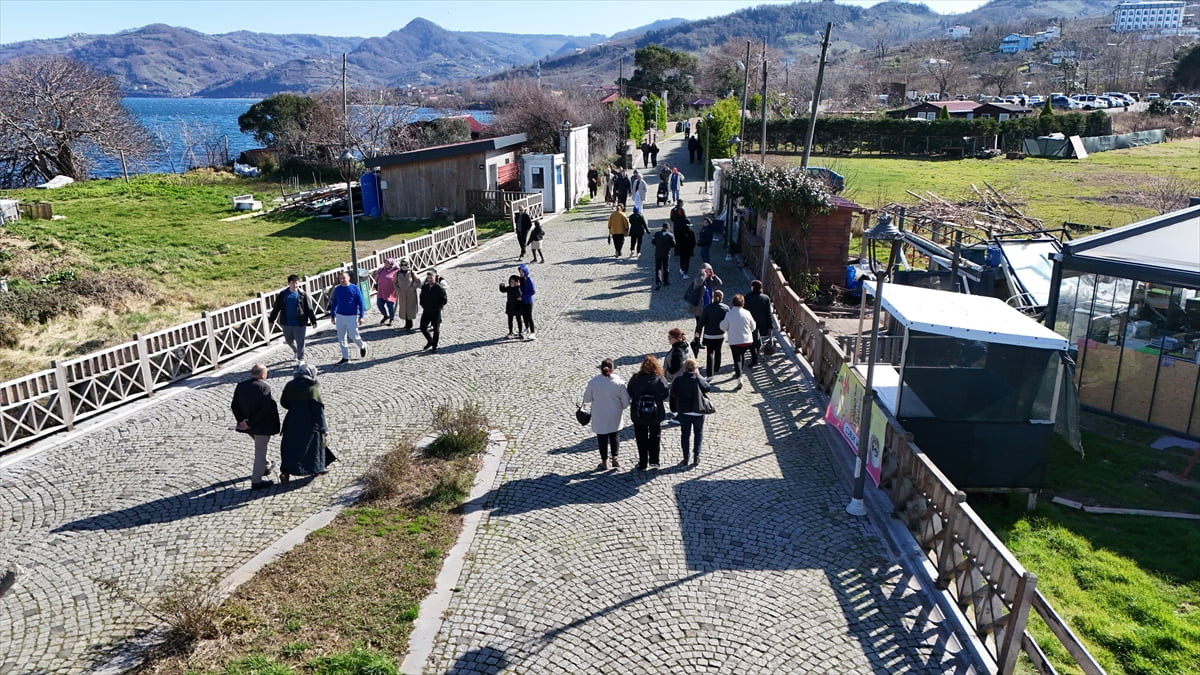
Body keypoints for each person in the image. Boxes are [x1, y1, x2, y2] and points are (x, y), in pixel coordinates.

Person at [278, 363, 331, 482]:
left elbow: (284, 403)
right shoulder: (312, 389)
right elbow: (318, 411)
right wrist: (324, 428)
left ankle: (285, 471)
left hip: (292, 421)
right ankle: (317, 468)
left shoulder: (290, 385)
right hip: (309, 423)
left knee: (290, 447)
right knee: (314, 446)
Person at [231, 363, 280, 490]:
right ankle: (256, 480)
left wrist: (242, 421)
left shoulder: (241, 386)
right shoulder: (264, 387)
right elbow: (264, 410)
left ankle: (267, 465)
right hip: (261, 426)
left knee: (260, 447)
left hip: (247, 426)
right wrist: (249, 422)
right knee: (260, 452)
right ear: (262, 374)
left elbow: (234, 405)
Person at [582, 358, 630, 470]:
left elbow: (587, 399)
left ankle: (604, 462)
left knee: (601, 438)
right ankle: (615, 458)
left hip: (599, 415)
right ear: (613, 369)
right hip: (615, 414)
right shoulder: (619, 382)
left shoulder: (593, 382)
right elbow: (626, 401)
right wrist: (619, 408)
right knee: (614, 436)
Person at [627, 355, 669, 470]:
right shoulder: (660, 379)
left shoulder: (635, 379)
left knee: (641, 438)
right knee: (655, 436)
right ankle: (654, 460)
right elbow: (665, 393)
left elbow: (630, 392)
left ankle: (643, 462)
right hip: (655, 414)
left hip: (638, 414)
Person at [669, 358, 712, 466]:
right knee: (698, 433)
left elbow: (673, 393)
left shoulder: (678, 380)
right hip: (698, 411)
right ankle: (696, 455)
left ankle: (686, 457)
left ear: (685, 368)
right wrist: (699, 376)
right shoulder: (697, 379)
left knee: (685, 435)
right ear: (695, 368)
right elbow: (707, 388)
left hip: (684, 412)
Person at [268, 274, 318, 363]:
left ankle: (300, 358)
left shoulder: (302, 294)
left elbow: (309, 308)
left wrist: (313, 320)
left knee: (300, 341)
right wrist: (272, 320)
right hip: (286, 323)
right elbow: (276, 308)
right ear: (289, 284)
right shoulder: (283, 295)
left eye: (296, 283)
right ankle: (295, 350)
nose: (295, 285)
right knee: (288, 340)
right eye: (293, 283)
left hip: (300, 322)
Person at [720, 294, 757, 386]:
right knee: (742, 355)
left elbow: (723, 327)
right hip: (747, 340)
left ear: (733, 303)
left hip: (735, 341)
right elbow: (753, 326)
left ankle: (739, 377)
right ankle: (740, 371)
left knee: (737, 360)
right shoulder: (747, 313)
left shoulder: (729, 314)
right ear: (743, 303)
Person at [330, 271, 366, 365]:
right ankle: (345, 357)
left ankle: (362, 346)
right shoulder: (338, 289)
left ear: (348, 278)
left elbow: (361, 302)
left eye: (343, 278)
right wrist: (333, 315)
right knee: (341, 337)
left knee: (353, 335)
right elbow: (335, 302)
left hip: (351, 316)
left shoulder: (354, 288)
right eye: (340, 278)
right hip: (340, 315)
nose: (341, 280)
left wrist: (361, 316)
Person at [685, 263, 723, 350]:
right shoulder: (698, 278)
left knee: (707, 325)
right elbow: (698, 283)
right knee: (699, 326)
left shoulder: (710, 280)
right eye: (707, 270)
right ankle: (696, 340)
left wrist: (713, 275)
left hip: (708, 307)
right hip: (699, 308)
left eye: (709, 270)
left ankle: (704, 341)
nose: (708, 272)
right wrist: (703, 274)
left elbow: (720, 283)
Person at [700, 289, 730, 377]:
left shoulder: (707, 308)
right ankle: (717, 367)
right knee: (718, 350)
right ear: (722, 298)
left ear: (713, 297)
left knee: (709, 352)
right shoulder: (726, 308)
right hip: (720, 334)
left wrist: (697, 334)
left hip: (709, 335)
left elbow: (701, 322)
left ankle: (709, 371)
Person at [745, 280, 774, 366]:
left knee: (752, 341)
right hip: (762, 323)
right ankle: (756, 355)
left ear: (752, 287)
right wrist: (770, 325)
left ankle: (755, 357)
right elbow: (768, 313)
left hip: (750, 322)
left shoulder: (747, 297)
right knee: (757, 340)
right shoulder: (766, 298)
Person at [419, 269, 448, 352]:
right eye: (428, 278)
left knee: (436, 329)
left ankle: (434, 346)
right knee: (422, 327)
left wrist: (438, 307)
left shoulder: (439, 288)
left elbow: (444, 300)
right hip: (427, 310)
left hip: (436, 311)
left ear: (434, 278)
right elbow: (421, 297)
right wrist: (423, 305)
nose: (429, 279)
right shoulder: (424, 287)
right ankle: (430, 341)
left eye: (431, 278)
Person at [394, 258, 422, 331]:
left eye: (405, 265)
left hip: (411, 294)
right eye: (402, 265)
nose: (403, 266)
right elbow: (394, 283)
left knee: (410, 308)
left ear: (408, 265)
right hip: (402, 294)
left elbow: (418, 281)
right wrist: (398, 289)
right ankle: (407, 324)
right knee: (404, 308)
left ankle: (409, 324)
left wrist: (412, 288)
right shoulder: (398, 273)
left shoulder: (412, 272)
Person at [372, 258, 401, 325]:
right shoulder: (381, 270)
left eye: (388, 263)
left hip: (390, 292)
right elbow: (375, 276)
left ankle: (391, 318)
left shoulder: (396, 271)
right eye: (385, 263)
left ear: (391, 263)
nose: (386, 264)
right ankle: (385, 316)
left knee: (390, 306)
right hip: (381, 291)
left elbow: (401, 275)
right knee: (380, 304)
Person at [674, 209, 696, 280]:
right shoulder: (691, 233)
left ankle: (681, 269)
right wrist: (692, 247)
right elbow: (693, 242)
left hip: (681, 248)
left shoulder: (679, 231)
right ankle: (685, 273)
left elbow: (677, 240)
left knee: (682, 259)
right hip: (688, 249)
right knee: (687, 261)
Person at [651, 222, 675, 289]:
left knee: (658, 268)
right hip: (666, 254)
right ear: (668, 228)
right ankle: (665, 281)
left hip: (658, 253)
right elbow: (673, 245)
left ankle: (658, 282)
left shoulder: (657, 234)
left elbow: (653, 242)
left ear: (662, 227)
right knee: (666, 268)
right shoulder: (670, 235)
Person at [499, 274, 524, 338]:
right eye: (510, 282)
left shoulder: (518, 289)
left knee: (519, 319)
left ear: (516, 282)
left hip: (517, 307)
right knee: (510, 320)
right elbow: (503, 290)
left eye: (512, 282)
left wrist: (518, 286)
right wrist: (501, 286)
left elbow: (520, 295)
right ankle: (510, 332)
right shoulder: (509, 288)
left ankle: (520, 332)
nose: (511, 283)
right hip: (510, 306)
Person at [518, 263, 537, 341]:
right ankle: (527, 328)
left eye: (522, 272)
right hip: (522, 301)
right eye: (520, 272)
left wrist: (523, 297)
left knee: (529, 317)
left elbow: (533, 291)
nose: (520, 273)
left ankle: (533, 333)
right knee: (524, 316)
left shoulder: (529, 279)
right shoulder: (521, 279)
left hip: (528, 301)